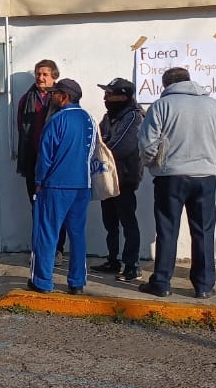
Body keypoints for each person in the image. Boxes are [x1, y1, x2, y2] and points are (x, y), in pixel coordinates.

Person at [136, 68, 216, 299]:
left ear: (166, 84)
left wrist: (155, 165)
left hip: (170, 177)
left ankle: (161, 283)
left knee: (167, 230)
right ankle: (204, 285)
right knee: (203, 231)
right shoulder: (214, 106)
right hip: (205, 177)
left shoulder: (161, 106)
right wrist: (210, 160)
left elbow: (147, 144)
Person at [27, 79, 93, 295]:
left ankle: (42, 281)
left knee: (47, 233)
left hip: (55, 185)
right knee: (78, 235)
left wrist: (39, 182)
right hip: (82, 184)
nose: (51, 96)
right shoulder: (89, 119)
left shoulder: (57, 120)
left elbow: (45, 156)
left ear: (64, 96)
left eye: (55, 93)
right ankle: (77, 282)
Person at [92, 78, 143, 282]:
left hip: (125, 177)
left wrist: (103, 149)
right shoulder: (109, 116)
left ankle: (132, 265)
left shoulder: (133, 116)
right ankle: (113, 260)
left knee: (127, 221)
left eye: (109, 94)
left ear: (122, 97)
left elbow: (121, 146)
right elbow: (99, 139)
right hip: (106, 176)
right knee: (110, 221)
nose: (105, 97)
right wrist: (101, 148)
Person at [16, 59, 66, 257]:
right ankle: (41, 247)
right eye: (38, 73)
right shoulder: (26, 99)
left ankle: (58, 249)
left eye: (45, 74)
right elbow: (22, 128)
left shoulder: (61, 98)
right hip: (33, 162)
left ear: (54, 77)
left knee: (55, 208)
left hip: (56, 163)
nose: (40, 77)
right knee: (37, 206)